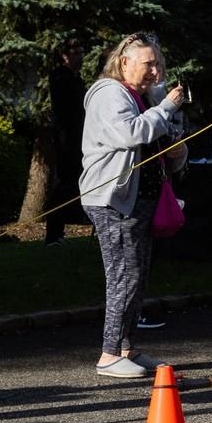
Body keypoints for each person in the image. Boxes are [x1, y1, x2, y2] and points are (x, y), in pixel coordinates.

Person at [81, 33, 187, 379]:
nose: (155, 71)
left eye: (158, 64)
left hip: (139, 199)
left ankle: (126, 348)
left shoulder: (141, 96)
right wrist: (167, 106)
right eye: (148, 64)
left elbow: (160, 142)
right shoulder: (108, 93)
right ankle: (109, 354)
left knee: (136, 275)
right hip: (113, 200)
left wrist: (177, 150)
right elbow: (131, 133)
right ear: (124, 62)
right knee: (123, 276)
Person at [45, 42, 86, 246]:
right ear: (64, 55)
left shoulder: (77, 79)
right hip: (66, 140)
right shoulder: (61, 78)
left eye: (82, 52)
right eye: (75, 53)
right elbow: (66, 112)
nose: (80, 57)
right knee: (62, 184)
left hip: (79, 138)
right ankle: (53, 232)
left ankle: (62, 227)